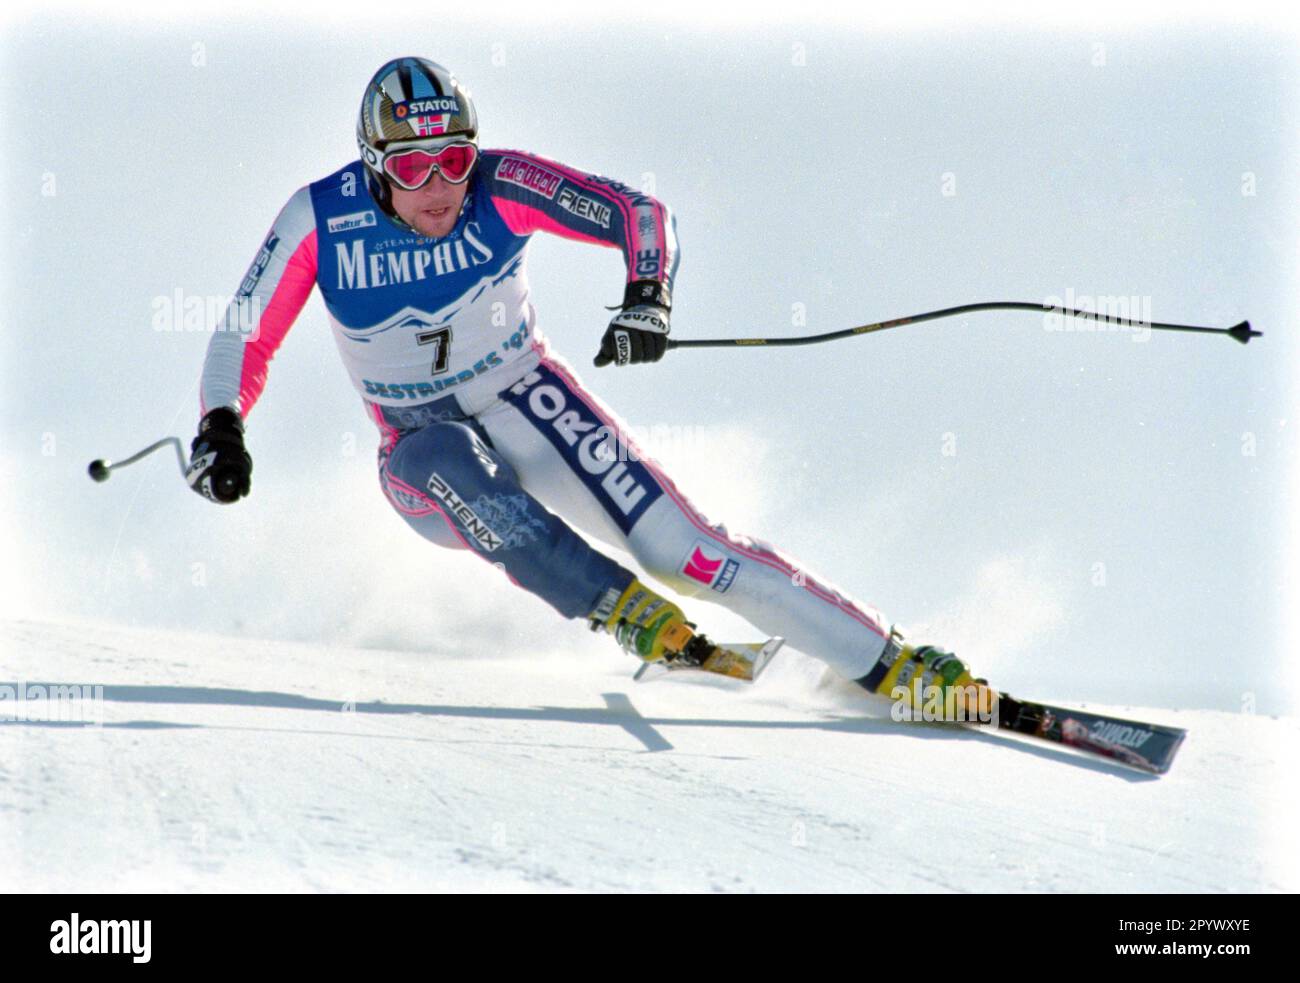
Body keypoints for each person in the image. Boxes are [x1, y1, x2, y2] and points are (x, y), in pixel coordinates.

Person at [187, 56, 985, 712]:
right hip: (419, 452)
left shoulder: (501, 185)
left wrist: (649, 296)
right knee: (447, 460)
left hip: (527, 396)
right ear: (374, 167)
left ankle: (892, 663)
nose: (440, 186)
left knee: (687, 549)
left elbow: (635, 212)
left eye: (455, 159)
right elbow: (241, 332)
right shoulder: (321, 219)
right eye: (413, 166)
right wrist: (222, 424)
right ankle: (623, 609)